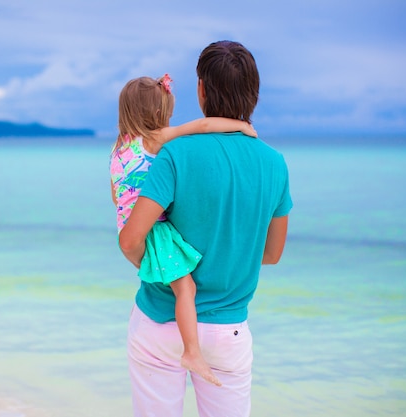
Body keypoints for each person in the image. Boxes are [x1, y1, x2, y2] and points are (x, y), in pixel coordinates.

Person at [119, 41, 293, 417]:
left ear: (200, 90)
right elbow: (272, 254)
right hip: (228, 330)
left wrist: (154, 267)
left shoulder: (176, 154)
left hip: (160, 319)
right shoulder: (274, 164)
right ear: (255, 94)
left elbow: (131, 239)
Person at [110, 74, 257, 388]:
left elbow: (117, 195)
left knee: (175, 281)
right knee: (186, 288)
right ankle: (191, 351)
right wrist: (240, 126)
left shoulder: (120, 148)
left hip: (129, 222)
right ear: (159, 114)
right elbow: (201, 127)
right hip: (153, 229)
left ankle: (191, 350)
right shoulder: (155, 138)